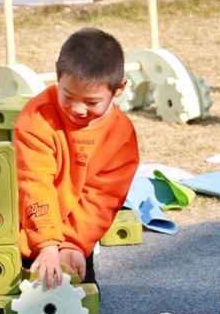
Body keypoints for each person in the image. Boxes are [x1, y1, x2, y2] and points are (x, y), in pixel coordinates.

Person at [14, 27, 139, 289]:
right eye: (68, 96)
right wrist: (47, 245)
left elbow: (102, 198)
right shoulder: (37, 116)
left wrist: (74, 244)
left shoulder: (120, 134)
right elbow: (35, 183)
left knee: (83, 303)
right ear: (57, 76)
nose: (77, 109)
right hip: (27, 232)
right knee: (21, 302)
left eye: (92, 102)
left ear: (119, 88)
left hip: (76, 236)